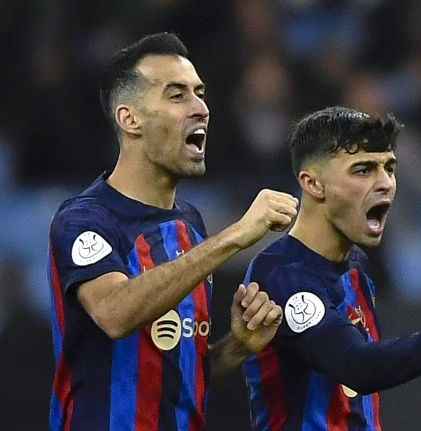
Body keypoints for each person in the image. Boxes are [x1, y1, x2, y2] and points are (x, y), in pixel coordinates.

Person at [47, 32, 299, 430]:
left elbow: (173, 370)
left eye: (200, 93)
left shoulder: (189, 224)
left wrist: (236, 348)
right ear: (130, 119)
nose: (201, 108)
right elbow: (114, 314)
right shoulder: (84, 220)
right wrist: (235, 236)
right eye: (177, 95)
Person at [241, 107, 421, 430]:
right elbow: (355, 366)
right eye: (363, 170)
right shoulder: (282, 275)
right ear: (313, 184)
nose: (385, 184)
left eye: (389, 168)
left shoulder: (357, 267)